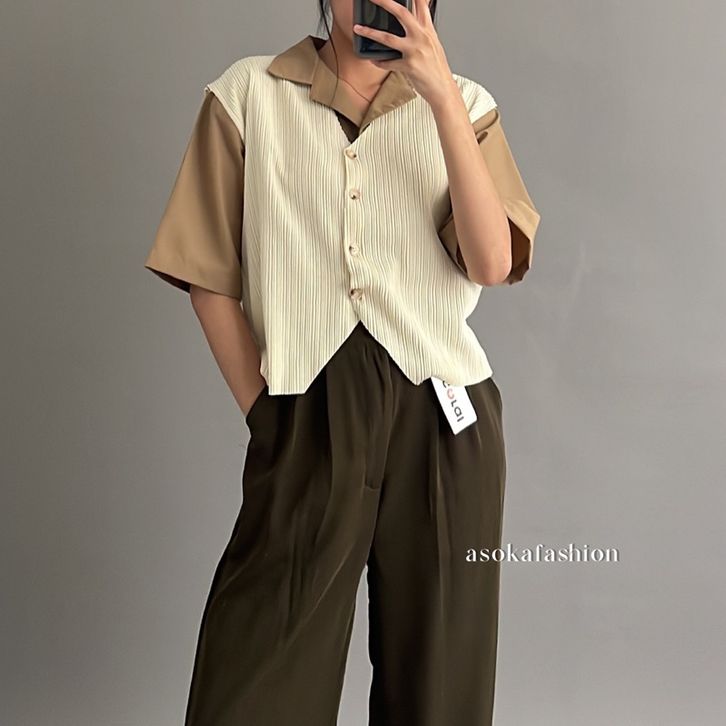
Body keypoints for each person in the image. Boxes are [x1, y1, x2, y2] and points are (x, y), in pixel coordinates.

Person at [144, 0, 540, 723]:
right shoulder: (247, 94)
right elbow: (206, 276)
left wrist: (441, 97)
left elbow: (490, 262)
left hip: (444, 420)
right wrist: (268, 413)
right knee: (260, 671)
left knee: (440, 686)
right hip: (309, 408)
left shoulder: (467, 104)